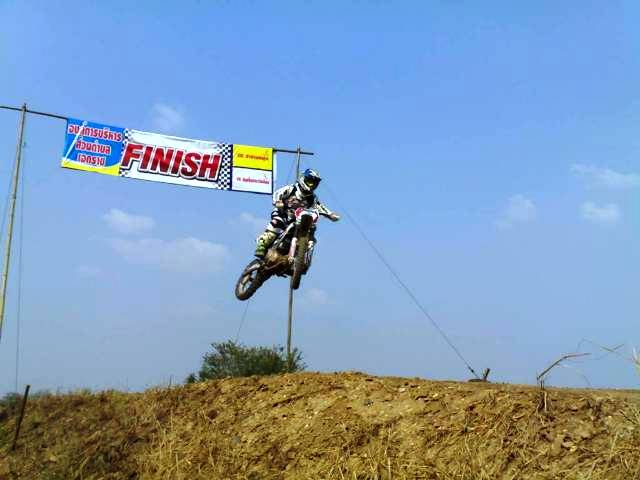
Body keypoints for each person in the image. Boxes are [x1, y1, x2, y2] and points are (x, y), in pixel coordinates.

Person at [254, 168, 340, 258]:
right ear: (304, 179)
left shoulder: (312, 198)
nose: (312, 184)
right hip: (283, 213)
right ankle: (262, 244)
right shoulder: (292, 189)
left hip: (297, 219)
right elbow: (277, 193)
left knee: (311, 228)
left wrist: (330, 214)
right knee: (277, 224)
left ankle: (301, 257)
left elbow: (319, 206)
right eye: (310, 181)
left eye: (314, 183)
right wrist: (278, 202)